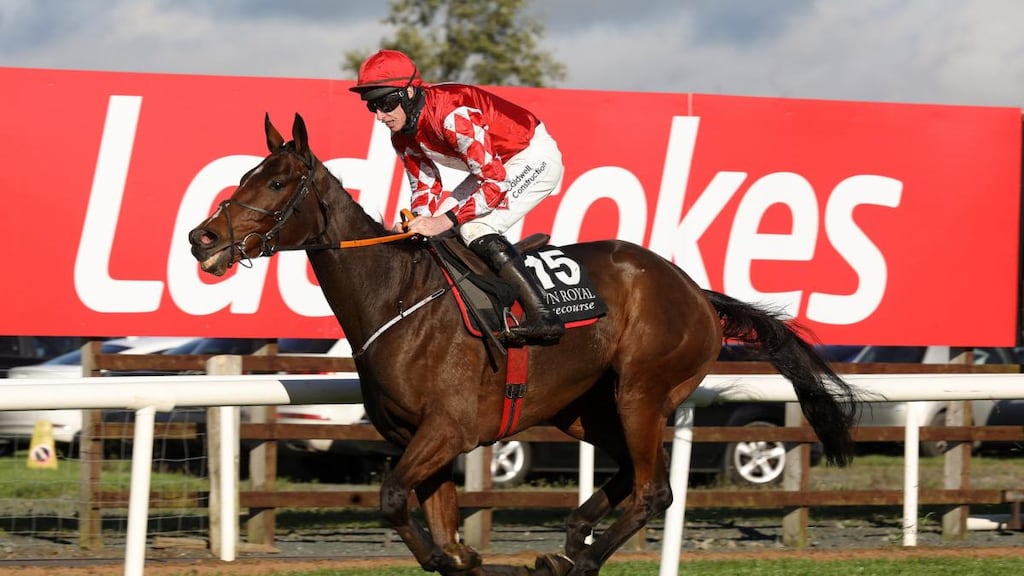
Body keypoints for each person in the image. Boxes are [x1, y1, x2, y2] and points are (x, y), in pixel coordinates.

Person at [350, 49, 565, 346]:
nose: (379, 116)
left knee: (474, 227)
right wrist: (418, 221)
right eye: (371, 105)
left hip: (530, 157)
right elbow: (425, 185)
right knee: (436, 231)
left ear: (410, 91)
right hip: (496, 167)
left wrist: (444, 219)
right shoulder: (401, 134)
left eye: (385, 103)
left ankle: (543, 316)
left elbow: (495, 183)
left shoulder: (452, 116)